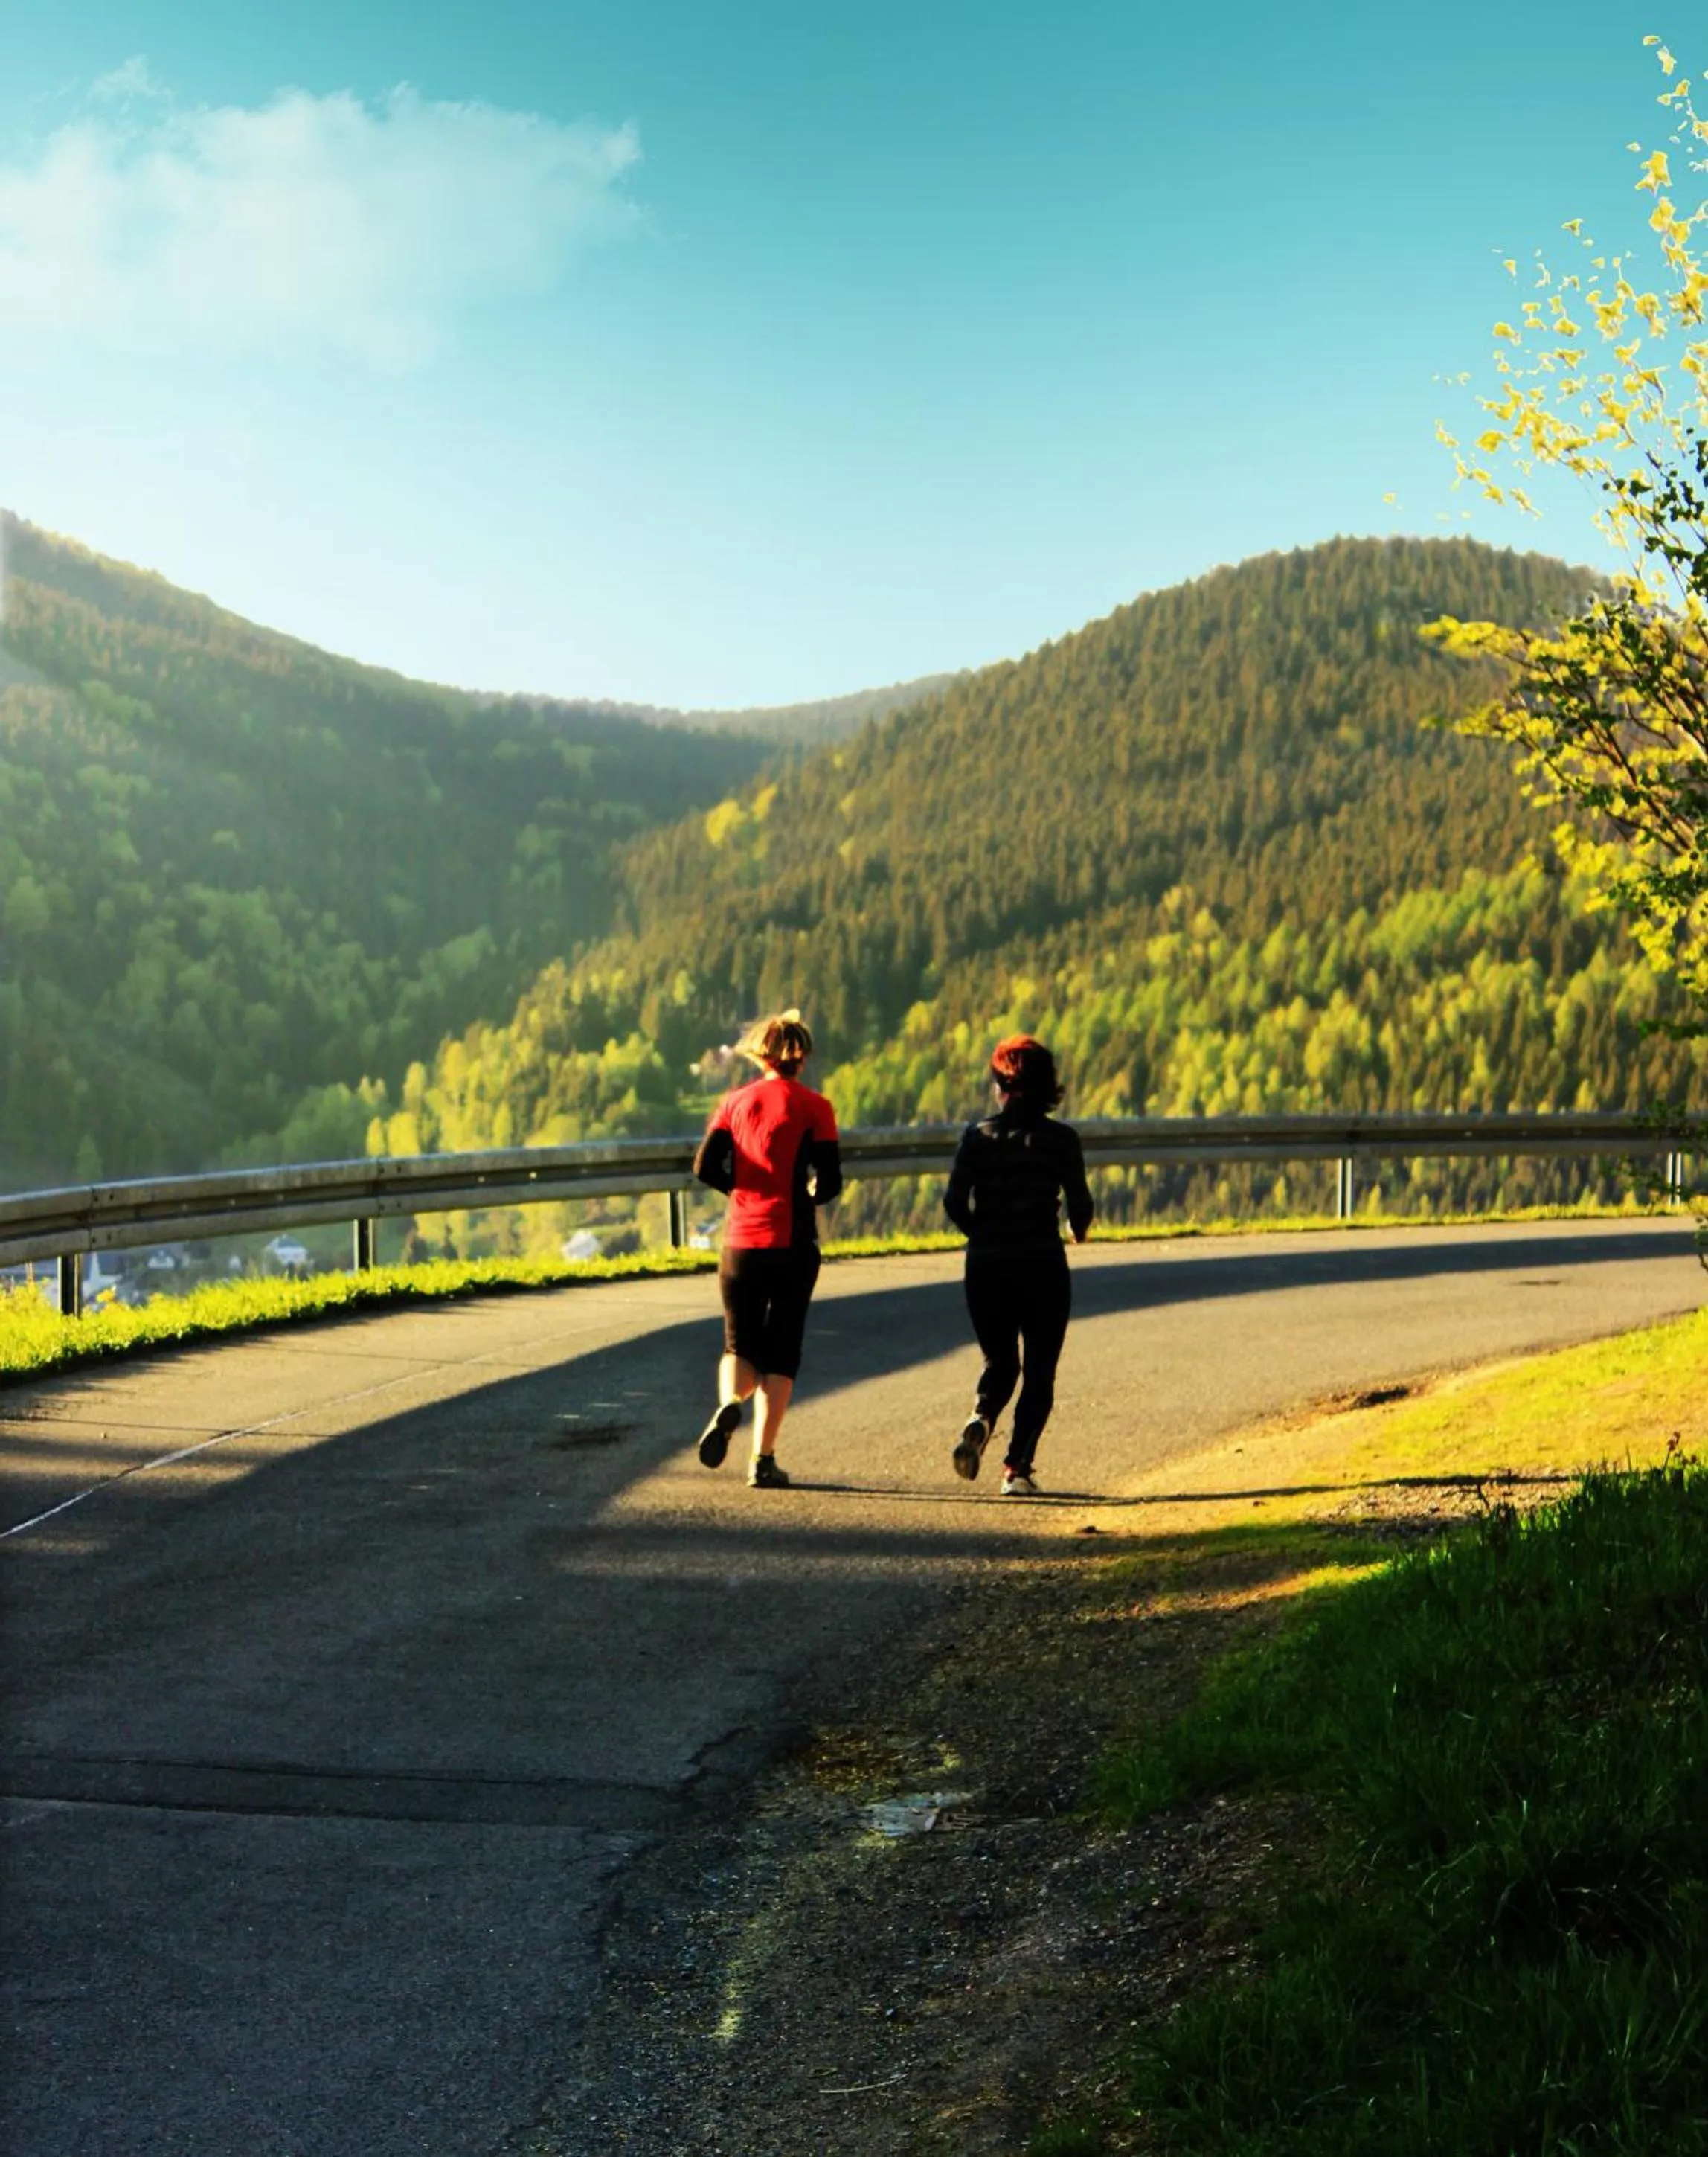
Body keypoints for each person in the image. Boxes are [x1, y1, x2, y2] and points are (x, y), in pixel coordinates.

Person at [692, 1009, 842, 1489]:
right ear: (802, 1057)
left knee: (739, 1344)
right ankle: (763, 1459)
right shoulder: (815, 1107)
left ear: (760, 1055)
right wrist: (807, 1193)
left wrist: (742, 1191)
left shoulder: (734, 1103)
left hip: (740, 1243)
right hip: (792, 1243)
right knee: (782, 1352)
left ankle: (729, 1405)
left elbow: (704, 1166)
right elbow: (831, 1181)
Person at [943, 1035, 1094, 1496]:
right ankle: (1017, 1469)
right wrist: (1077, 1231)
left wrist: (982, 1236)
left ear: (1001, 1084)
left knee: (1001, 1361)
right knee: (1040, 1368)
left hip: (987, 1265)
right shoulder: (1061, 1140)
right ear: (1047, 1085)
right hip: (1042, 1261)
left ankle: (983, 1416)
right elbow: (1080, 1205)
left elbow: (954, 1201)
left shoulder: (977, 1136)